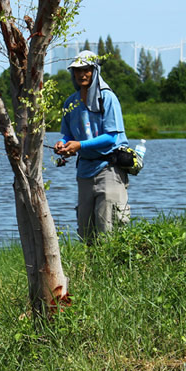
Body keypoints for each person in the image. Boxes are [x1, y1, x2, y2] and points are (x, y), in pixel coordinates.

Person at [54, 50, 130, 241]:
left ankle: (113, 270)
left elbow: (112, 137)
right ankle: (90, 270)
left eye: (86, 69)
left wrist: (79, 145)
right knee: (86, 232)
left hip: (109, 170)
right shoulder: (70, 103)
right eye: (77, 70)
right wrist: (63, 145)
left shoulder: (108, 98)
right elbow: (68, 135)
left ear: (94, 70)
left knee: (110, 230)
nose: (82, 74)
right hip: (84, 173)